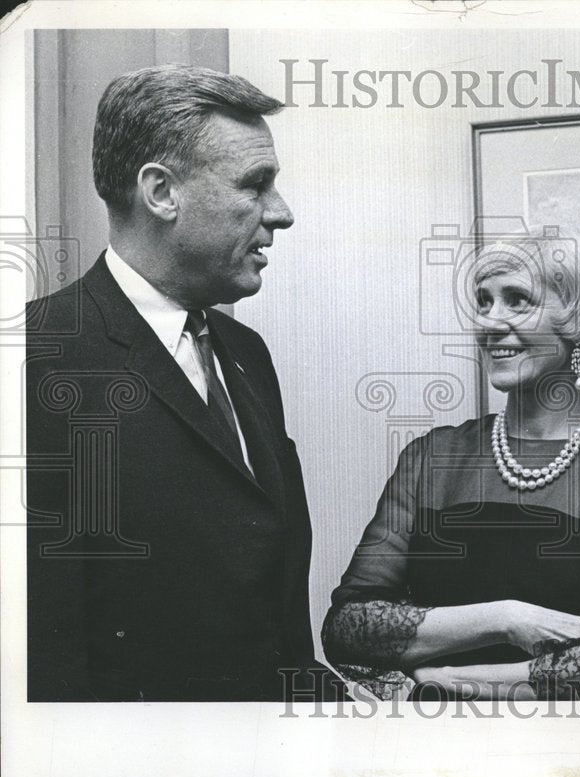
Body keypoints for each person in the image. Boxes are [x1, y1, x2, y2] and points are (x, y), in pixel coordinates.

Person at [26, 64, 344, 701]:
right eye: (256, 185)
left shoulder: (247, 353)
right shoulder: (33, 357)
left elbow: (268, 590)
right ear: (161, 192)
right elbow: (41, 649)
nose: (280, 214)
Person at [321, 231, 580, 700]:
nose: (490, 322)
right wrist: (504, 619)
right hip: (434, 748)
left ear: (576, 319)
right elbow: (348, 627)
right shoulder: (431, 456)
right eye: (483, 301)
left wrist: (449, 682)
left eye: (517, 301)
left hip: (569, 755)